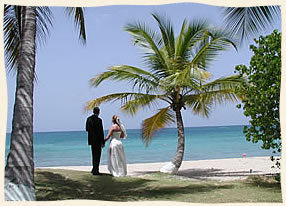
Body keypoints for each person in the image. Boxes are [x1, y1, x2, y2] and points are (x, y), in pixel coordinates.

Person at [85, 107, 105, 175]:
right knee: (98, 155)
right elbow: (101, 132)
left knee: (93, 155)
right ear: (98, 112)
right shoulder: (99, 120)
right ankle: (96, 170)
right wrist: (103, 142)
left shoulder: (89, 119)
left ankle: (94, 169)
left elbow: (87, 129)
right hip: (98, 140)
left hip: (91, 140)